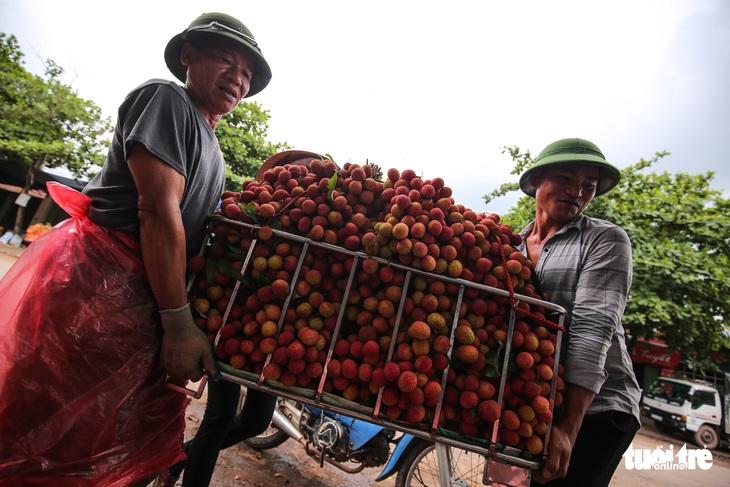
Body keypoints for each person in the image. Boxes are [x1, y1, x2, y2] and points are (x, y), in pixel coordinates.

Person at [0, 12, 271, 486]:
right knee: (42, 430)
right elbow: (156, 212)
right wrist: (178, 323)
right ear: (188, 56)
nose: (238, 78)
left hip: (134, 309)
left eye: (247, 73)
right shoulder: (166, 99)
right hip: (94, 297)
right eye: (226, 60)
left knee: (101, 445)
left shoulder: (216, 150)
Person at [159, 150, 326, 487]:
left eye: (311, 173)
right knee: (219, 417)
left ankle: (178, 460)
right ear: (279, 176)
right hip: (228, 323)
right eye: (299, 171)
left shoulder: (315, 230)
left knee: (257, 420)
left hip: (275, 336)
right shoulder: (249, 214)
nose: (305, 177)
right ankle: (182, 471)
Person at [516, 138, 642, 486]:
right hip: (541, 401)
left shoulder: (605, 240)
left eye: (588, 185)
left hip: (597, 410)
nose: (578, 191)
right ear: (537, 179)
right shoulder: (511, 245)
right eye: (567, 178)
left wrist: (568, 428)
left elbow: (592, 331)